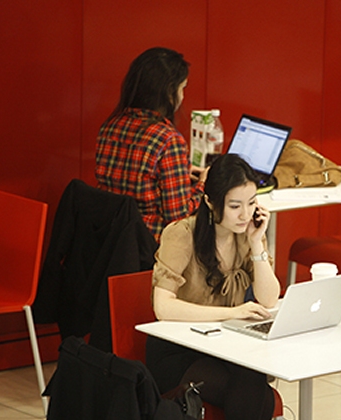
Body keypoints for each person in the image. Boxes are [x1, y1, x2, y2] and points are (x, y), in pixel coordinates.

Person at [146, 154, 280, 420]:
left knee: (252, 379)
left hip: (222, 344)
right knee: (256, 392)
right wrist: (233, 313)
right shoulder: (182, 234)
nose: (245, 214)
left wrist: (256, 243)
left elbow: (269, 299)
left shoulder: (246, 233)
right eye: (234, 206)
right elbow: (163, 307)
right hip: (179, 349)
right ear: (210, 202)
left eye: (251, 203)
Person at [95, 47, 207, 243]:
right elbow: (177, 218)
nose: (183, 96)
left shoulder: (110, 127)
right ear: (169, 92)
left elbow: (131, 177)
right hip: (150, 248)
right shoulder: (168, 140)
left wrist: (180, 172)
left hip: (108, 244)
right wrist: (204, 185)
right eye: (182, 88)